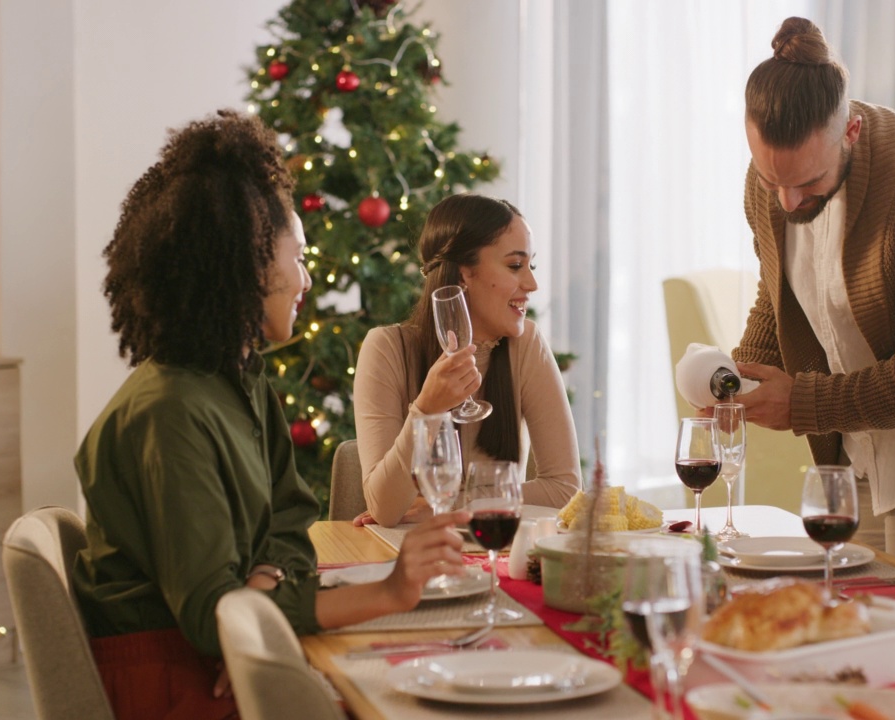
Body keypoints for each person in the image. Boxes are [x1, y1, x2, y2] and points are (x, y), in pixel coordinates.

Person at [72, 110, 468, 720]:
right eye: (299, 257)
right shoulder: (169, 413)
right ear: (246, 261)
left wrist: (259, 591)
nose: (307, 278)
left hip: (216, 660)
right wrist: (388, 591)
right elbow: (212, 621)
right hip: (174, 684)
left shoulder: (239, 380)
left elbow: (291, 520)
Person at [728, 17, 895, 566]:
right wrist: (741, 373)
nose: (785, 202)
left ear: (850, 131)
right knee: (844, 616)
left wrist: (803, 403)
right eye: (769, 179)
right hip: (850, 460)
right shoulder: (777, 181)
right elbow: (778, 288)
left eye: (807, 183)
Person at [353, 193, 581, 527]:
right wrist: (427, 409)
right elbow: (386, 509)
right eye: (515, 266)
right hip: (410, 559)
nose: (531, 283)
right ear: (463, 274)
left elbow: (565, 491)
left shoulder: (526, 345)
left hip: (493, 557)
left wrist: (448, 505)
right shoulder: (387, 349)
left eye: (531, 265)